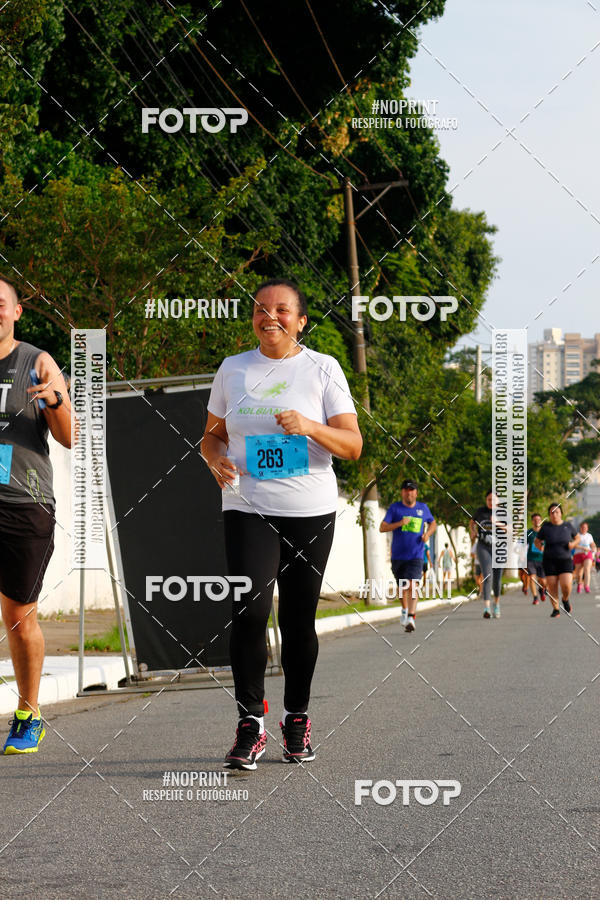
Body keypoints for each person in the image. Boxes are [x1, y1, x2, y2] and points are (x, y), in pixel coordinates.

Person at [201, 279, 362, 771]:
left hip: (309, 509)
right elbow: (212, 437)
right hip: (247, 504)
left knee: (297, 620)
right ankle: (250, 723)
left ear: (301, 320)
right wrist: (213, 460)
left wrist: (309, 426)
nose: (269, 316)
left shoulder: (322, 368)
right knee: (249, 611)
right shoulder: (233, 368)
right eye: (260, 309)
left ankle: (297, 718)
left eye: (282, 310)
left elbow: (352, 445)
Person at [0, 277, 72, 754]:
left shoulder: (37, 362)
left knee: (17, 615)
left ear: (17, 311)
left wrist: (55, 400)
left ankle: (29, 713)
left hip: (23, 504)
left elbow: (69, 436)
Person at [380, 480, 437, 633]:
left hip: (416, 555)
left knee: (412, 585)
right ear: (402, 492)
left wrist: (427, 534)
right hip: (398, 556)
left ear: (416, 493)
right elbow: (382, 527)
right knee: (402, 587)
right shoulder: (395, 508)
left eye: (411, 490)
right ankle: (404, 610)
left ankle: (411, 616)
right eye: (406, 490)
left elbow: (433, 523)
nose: (409, 492)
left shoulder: (423, 508)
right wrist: (399, 523)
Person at [534, 503, 579, 617]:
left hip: (565, 559)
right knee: (552, 585)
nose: (554, 514)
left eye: (557, 512)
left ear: (561, 514)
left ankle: (565, 599)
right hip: (549, 560)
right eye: (552, 512)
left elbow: (577, 537)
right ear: (549, 515)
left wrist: (573, 544)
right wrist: (541, 548)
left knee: (566, 585)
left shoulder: (568, 526)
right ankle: (556, 609)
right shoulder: (546, 527)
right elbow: (537, 541)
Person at [469, 491, 506, 619]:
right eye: (489, 499)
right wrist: (473, 532)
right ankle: (486, 608)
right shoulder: (480, 511)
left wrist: (497, 523)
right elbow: (472, 522)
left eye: (494, 500)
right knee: (487, 575)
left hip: (499, 548)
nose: (491, 502)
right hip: (483, 547)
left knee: (497, 579)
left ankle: (496, 604)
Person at [526, 513, 546, 605]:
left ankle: (542, 589)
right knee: (532, 578)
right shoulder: (529, 532)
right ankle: (535, 597)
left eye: (538, 519)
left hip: (543, 559)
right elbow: (523, 545)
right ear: (532, 521)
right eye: (535, 520)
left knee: (543, 581)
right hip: (530, 558)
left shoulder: (545, 532)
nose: (537, 521)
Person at [573, 521, 596, 594]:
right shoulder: (577, 535)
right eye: (582, 527)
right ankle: (580, 584)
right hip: (578, 554)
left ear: (587, 528)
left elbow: (592, 544)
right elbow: (574, 545)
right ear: (580, 528)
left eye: (585, 527)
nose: (584, 529)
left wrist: (593, 548)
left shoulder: (589, 536)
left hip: (587, 554)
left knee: (587, 569)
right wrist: (582, 548)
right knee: (579, 573)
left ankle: (587, 586)